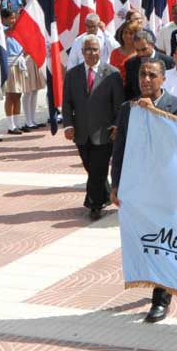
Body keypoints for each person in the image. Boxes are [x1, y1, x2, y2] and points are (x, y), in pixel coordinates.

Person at [111, 57, 177, 322]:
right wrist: (116, 183)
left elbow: (176, 140)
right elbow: (120, 148)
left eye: (152, 75)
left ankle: (161, 299)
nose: (146, 80)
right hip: (139, 188)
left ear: (163, 79)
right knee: (145, 239)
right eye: (142, 75)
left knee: (164, 240)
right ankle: (158, 279)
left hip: (167, 188)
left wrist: (153, 113)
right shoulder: (128, 108)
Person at [61, 35, 124, 221]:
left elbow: (118, 104)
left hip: (104, 133)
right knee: (92, 169)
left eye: (95, 49)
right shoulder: (72, 74)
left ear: (100, 51)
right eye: (87, 49)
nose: (91, 53)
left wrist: (116, 125)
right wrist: (68, 125)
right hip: (81, 132)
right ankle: (104, 194)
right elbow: (67, 103)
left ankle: (93, 205)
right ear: (82, 52)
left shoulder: (112, 74)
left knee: (98, 169)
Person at [123, 30, 175, 101]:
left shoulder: (168, 62)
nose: (141, 54)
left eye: (144, 49)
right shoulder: (131, 64)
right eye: (137, 50)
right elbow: (129, 91)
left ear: (152, 45)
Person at [2, 10, 28, 134]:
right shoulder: (2, 32)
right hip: (10, 64)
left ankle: (17, 123)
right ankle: (10, 125)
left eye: (14, 18)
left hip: (19, 63)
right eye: (11, 18)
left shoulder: (17, 30)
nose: (13, 20)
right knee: (11, 95)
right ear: (4, 19)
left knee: (18, 94)